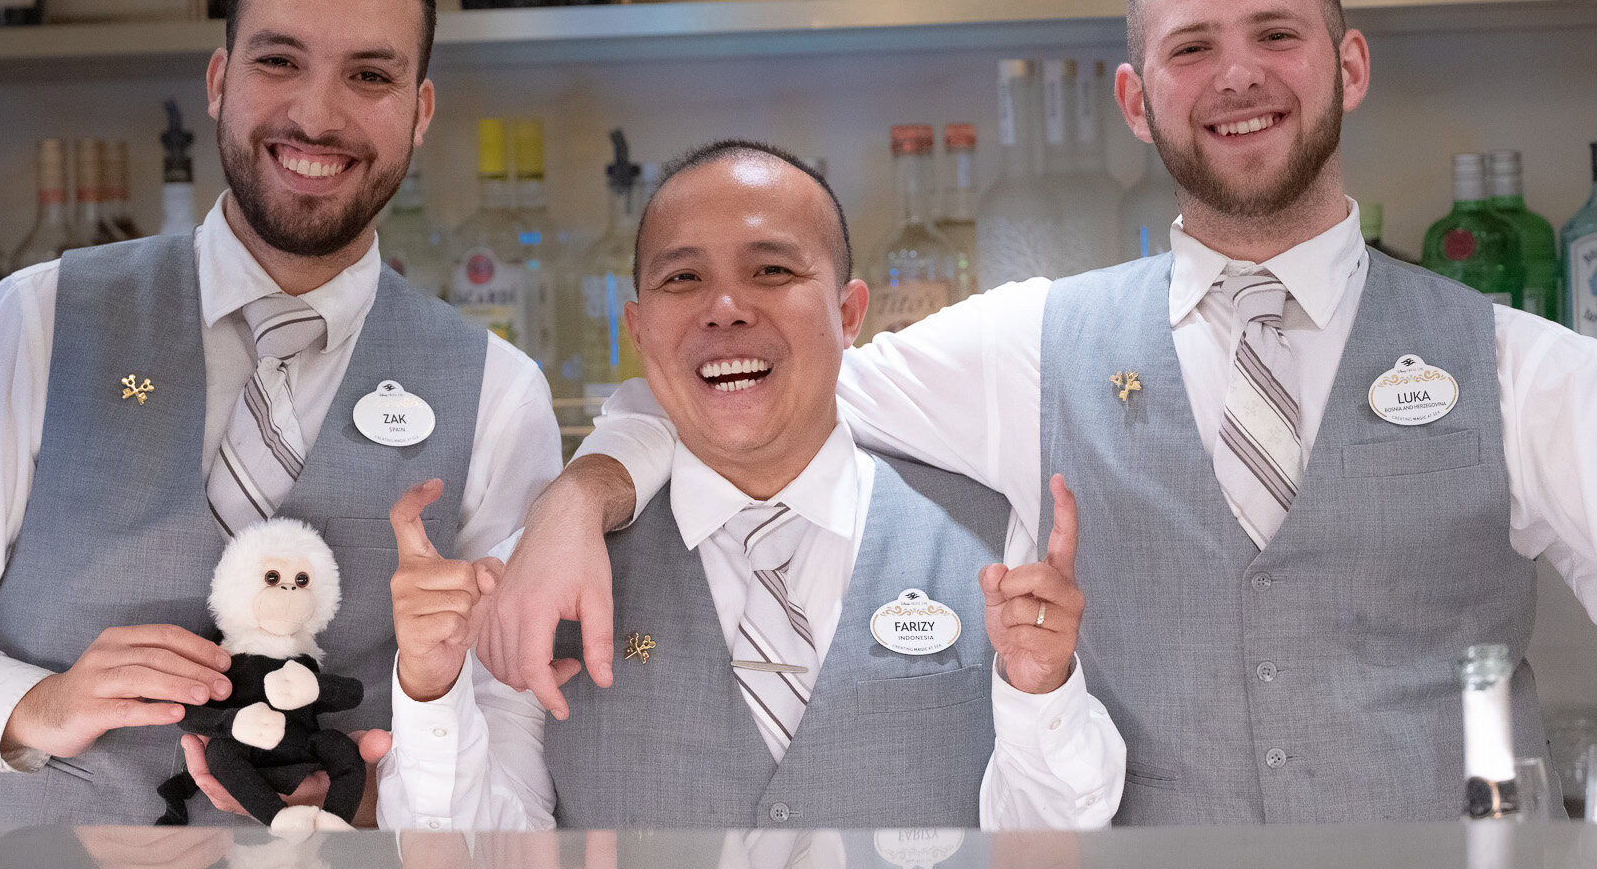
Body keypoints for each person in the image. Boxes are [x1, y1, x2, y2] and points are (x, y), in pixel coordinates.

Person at [484, 0, 1597, 825]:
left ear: (1350, 64)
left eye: (1276, 36)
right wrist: (579, 492)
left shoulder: (1514, 365)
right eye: (1190, 46)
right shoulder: (1029, 344)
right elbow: (757, 379)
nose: (1237, 74)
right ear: (1138, 98)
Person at [0, 0, 561, 826]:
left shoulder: (496, 393)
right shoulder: (39, 321)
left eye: (370, 75)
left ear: (420, 112)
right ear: (218, 81)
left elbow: (511, 774)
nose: (317, 114)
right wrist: (30, 705)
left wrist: (388, 801)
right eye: (278, 61)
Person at [378, 140, 1121, 831]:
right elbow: (478, 863)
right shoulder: (536, 578)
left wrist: (1040, 692)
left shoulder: (996, 543)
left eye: (772, 270)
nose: (725, 307)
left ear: (849, 312)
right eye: (683, 278)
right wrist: (431, 691)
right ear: (637, 330)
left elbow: (1052, 847)